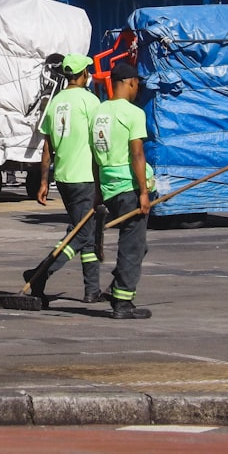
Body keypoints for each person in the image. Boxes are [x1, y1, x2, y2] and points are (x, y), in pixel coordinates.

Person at [24, 53, 104, 304]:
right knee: (81, 234)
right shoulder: (90, 102)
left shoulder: (56, 102)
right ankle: (40, 273)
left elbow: (47, 146)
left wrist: (44, 181)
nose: (89, 75)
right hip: (84, 177)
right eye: (87, 72)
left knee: (87, 232)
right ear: (82, 75)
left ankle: (92, 290)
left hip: (64, 178)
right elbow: (100, 141)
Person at [91, 61, 153, 320]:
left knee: (138, 246)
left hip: (109, 188)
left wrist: (98, 192)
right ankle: (123, 302)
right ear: (129, 83)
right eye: (137, 83)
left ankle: (117, 289)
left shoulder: (98, 112)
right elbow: (137, 153)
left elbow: (94, 157)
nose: (137, 88)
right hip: (129, 188)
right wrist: (143, 192)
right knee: (131, 246)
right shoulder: (133, 113)